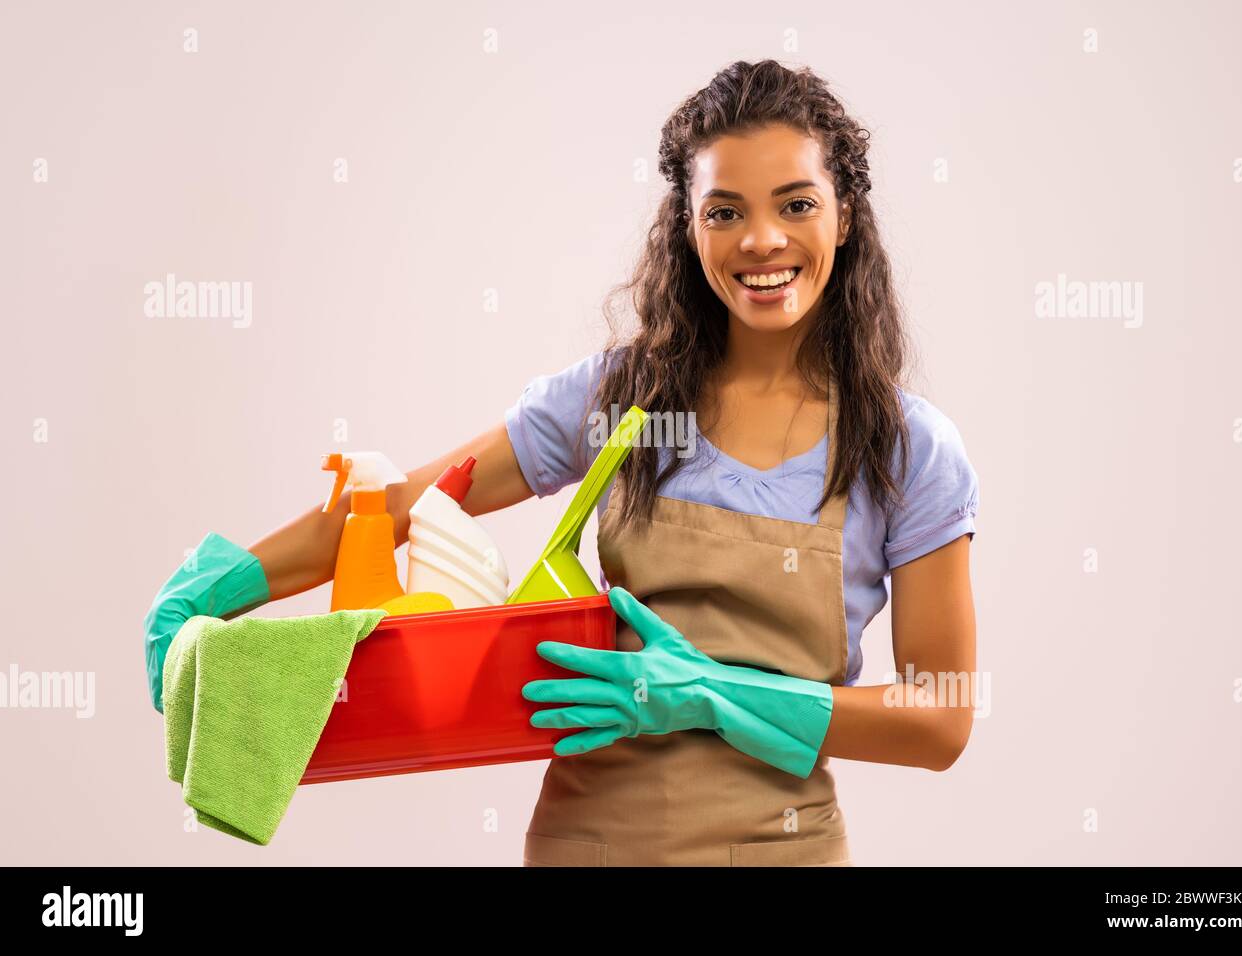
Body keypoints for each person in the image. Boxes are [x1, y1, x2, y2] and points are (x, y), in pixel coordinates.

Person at [145, 59, 979, 867]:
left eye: (795, 203)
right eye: (723, 211)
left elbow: (940, 721)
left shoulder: (903, 449)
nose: (761, 240)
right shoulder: (632, 406)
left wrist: (709, 693)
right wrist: (218, 585)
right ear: (687, 227)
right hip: (589, 847)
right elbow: (397, 508)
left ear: (845, 213)